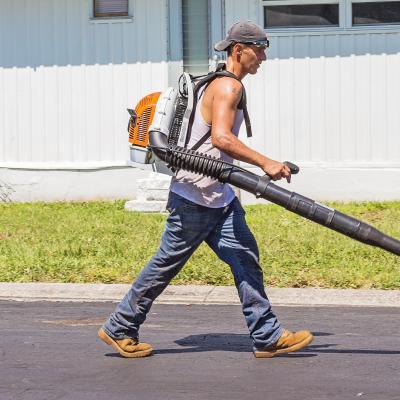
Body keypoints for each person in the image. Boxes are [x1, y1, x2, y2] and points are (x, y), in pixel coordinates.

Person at [98, 20, 313, 358]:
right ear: (239, 50)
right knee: (165, 264)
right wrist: (266, 163)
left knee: (246, 259)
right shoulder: (229, 87)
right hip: (195, 197)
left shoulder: (215, 83)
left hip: (218, 195)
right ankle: (120, 326)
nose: (264, 58)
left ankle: (267, 334)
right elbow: (222, 139)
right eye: (260, 50)